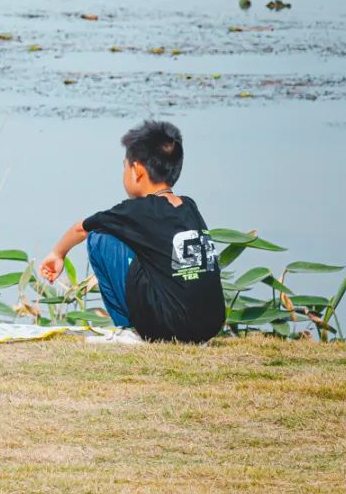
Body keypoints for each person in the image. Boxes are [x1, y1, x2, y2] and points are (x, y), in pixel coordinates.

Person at [38, 119, 225, 344]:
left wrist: (57, 254)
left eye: (124, 166)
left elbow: (82, 228)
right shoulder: (189, 206)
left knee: (100, 238)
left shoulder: (136, 210)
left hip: (171, 326)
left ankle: (129, 329)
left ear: (137, 170)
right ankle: (177, 332)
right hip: (209, 325)